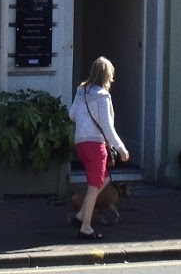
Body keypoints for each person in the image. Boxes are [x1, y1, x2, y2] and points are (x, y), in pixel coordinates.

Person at [68, 56, 128, 239]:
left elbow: (72, 115)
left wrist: (85, 122)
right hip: (96, 146)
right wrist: (121, 148)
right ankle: (86, 227)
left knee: (104, 180)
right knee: (95, 187)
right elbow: (108, 127)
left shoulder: (81, 91)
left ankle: (80, 216)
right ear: (107, 75)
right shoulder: (103, 96)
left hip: (80, 144)